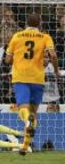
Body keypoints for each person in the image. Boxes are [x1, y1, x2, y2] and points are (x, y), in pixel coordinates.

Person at [5, 14, 60, 155]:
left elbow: (7, 59)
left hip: (21, 77)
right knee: (33, 113)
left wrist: (17, 60)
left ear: (26, 24)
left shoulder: (17, 36)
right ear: (39, 24)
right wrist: (56, 71)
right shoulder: (45, 37)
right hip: (37, 79)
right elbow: (53, 55)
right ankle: (24, 147)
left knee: (23, 109)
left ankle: (26, 125)